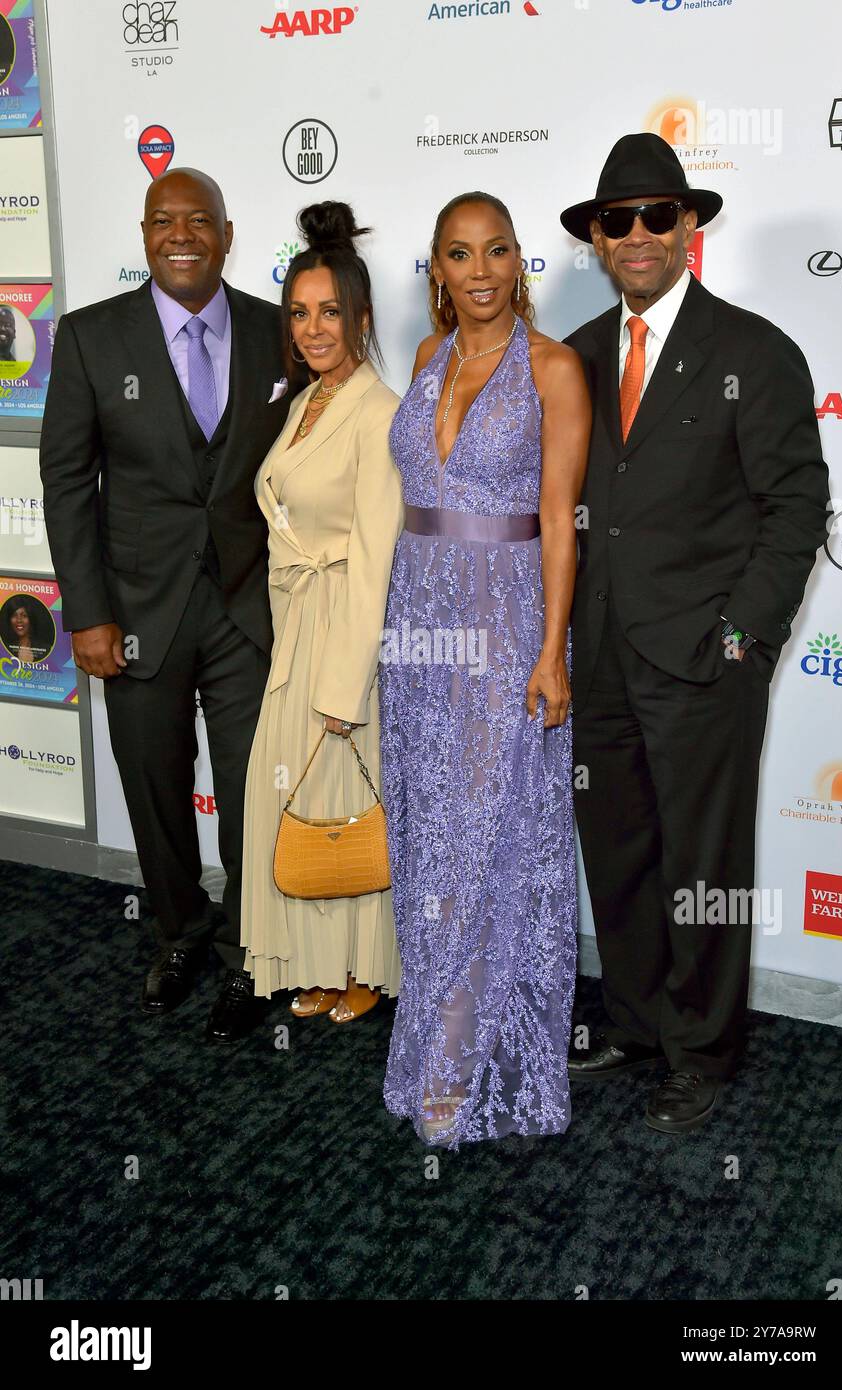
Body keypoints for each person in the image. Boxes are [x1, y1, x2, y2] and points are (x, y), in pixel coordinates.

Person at [560, 134, 830, 1131]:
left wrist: (739, 639)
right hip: (598, 659)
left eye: (656, 216)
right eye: (617, 219)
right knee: (619, 849)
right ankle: (634, 1021)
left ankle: (702, 1049)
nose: (637, 235)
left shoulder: (751, 352)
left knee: (703, 866)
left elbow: (796, 506)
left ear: (687, 229)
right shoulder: (574, 359)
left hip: (701, 662)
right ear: (595, 238)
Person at [40, 168, 295, 1041]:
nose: (179, 234)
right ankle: (183, 931)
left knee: (249, 790)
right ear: (145, 234)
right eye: (163, 220)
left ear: (228, 234)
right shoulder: (87, 339)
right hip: (136, 613)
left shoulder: (277, 333)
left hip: (246, 609)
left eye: (198, 221)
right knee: (154, 785)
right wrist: (86, 611)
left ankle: (248, 953)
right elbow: (68, 482)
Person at [380, 191, 590, 1146]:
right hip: (418, 623)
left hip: (504, 631)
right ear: (437, 267)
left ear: (518, 264)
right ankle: (433, 1036)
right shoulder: (426, 360)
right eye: (459, 254)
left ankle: (462, 1066)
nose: (479, 271)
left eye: (496, 250)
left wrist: (550, 654)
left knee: (481, 842)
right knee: (430, 837)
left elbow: (558, 522)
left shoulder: (554, 371)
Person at [240, 202, 404, 1024]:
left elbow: (375, 557)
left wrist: (343, 687)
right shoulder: (305, 401)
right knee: (300, 803)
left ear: (362, 319)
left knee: (345, 805)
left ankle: (365, 968)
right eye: (299, 314)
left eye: (330, 313)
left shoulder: (379, 411)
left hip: (346, 638)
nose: (313, 329)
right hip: (296, 630)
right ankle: (315, 961)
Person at [0, 594, 54, 663]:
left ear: (30, 619)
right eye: (14, 615)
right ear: (9, 620)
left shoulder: (46, 649)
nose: (19, 620)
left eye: (24, 616)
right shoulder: (3, 648)